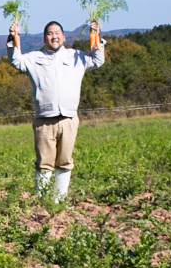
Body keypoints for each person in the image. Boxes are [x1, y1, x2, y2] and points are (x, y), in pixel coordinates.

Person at [8, 19, 105, 202]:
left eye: (57, 33)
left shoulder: (76, 56)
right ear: (45, 38)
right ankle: (43, 201)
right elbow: (15, 60)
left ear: (63, 36)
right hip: (44, 119)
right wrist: (14, 36)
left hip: (69, 118)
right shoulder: (35, 58)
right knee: (44, 163)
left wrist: (96, 35)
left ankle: (59, 201)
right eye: (50, 33)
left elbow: (98, 60)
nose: (54, 36)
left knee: (65, 161)